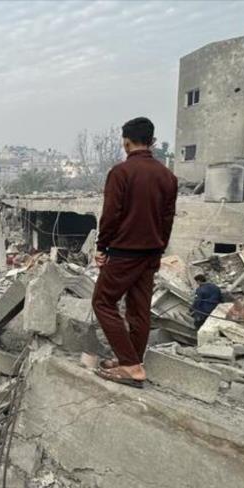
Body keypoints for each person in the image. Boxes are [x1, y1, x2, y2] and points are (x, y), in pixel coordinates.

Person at [92, 117, 178, 388]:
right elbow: (167, 219)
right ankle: (133, 362)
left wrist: (102, 246)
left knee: (103, 303)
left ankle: (129, 366)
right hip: (151, 252)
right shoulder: (168, 176)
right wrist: (159, 248)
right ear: (152, 141)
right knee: (139, 310)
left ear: (126, 142)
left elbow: (111, 215)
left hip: (124, 251)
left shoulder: (121, 172)